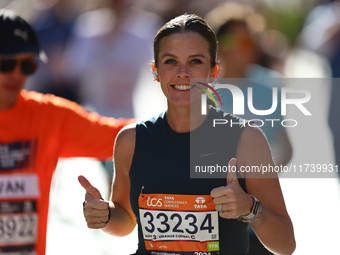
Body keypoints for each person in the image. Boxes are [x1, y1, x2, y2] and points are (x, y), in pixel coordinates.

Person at [80, 14, 296, 255]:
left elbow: (286, 244)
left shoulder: (246, 140)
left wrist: (249, 208)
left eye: (195, 61)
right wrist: (105, 215)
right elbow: (125, 221)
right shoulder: (131, 140)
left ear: (214, 72)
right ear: (155, 71)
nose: (183, 72)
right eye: (171, 61)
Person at [0, 8, 133, 255]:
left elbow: (119, 135)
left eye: (26, 65)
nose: (17, 74)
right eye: (6, 63)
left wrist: (192, 126)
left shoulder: (47, 115)